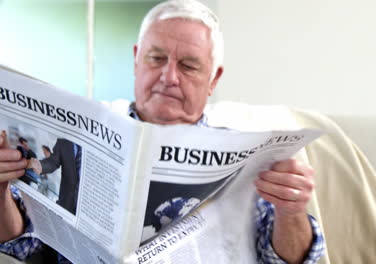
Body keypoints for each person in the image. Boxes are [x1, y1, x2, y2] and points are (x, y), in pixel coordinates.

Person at [0, 1, 325, 263]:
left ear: (213, 79)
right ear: (136, 60)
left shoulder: (249, 155)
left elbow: (291, 260)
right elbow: (25, 247)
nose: (169, 77)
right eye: (157, 58)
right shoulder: (79, 132)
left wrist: (290, 211)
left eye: (188, 65)